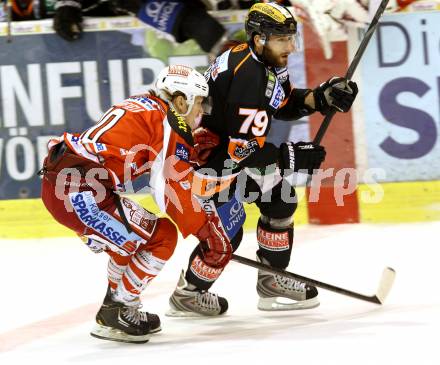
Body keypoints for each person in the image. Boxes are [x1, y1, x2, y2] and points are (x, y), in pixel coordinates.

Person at [166, 2, 358, 316]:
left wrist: (321, 97)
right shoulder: (249, 75)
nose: (291, 47)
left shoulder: (263, 61)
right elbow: (241, 150)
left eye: (291, 38)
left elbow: (281, 104)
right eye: (283, 39)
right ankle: (189, 293)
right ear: (259, 38)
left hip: (232, 152)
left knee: (280, 201)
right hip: (214, 162)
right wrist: (290, 155)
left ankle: (272, 280)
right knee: (229, 230)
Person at [39, 65, 232, 343]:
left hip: (68, 186)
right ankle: (118, 309)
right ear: (181, 101)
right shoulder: (171, 122)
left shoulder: (146, 104)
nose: (201, 112)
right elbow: (169, 191)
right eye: (199, 102)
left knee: (131, 242)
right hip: (80, 193)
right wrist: (205, 231)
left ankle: (114, 307)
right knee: (162, 236)